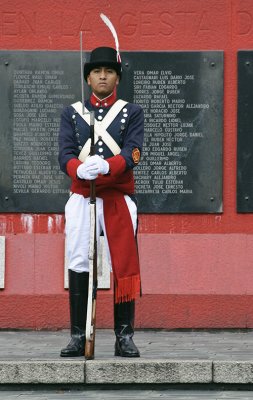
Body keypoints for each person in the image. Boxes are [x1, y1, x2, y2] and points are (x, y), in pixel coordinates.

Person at [58, 46, 144, 358]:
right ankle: (78, 336)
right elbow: (64, 152)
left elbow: (133, 151)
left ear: (117, 77)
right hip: (83, 196)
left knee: (123, 263)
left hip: (117, 196)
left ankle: (124, 337)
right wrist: (77, 168)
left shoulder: (132, 112)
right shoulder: (72, 113)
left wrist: (110, 165)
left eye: (108, 71)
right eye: (97, 72)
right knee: (79, 261)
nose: (103, 76)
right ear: (89, 78)